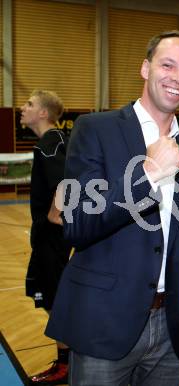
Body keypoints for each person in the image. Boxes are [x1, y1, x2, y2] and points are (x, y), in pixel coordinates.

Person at [45, 30, 179, 386]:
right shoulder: (95, 129)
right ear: (145, 68)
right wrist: (148, 174)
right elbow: (77, 224)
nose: (178, 78)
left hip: (170, 329)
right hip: (104, 323)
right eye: (168, 65)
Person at [21, 90, 72, 385]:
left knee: (54, 299)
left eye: (29, 104)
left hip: (51, 238)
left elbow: (64, 182)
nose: (22, 108)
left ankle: (67, 365)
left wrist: (56, 215)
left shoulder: (50, 141)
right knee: (51, 298)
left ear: (43, 113)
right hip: (52, 238)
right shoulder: (57, 140)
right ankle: (68, 358)